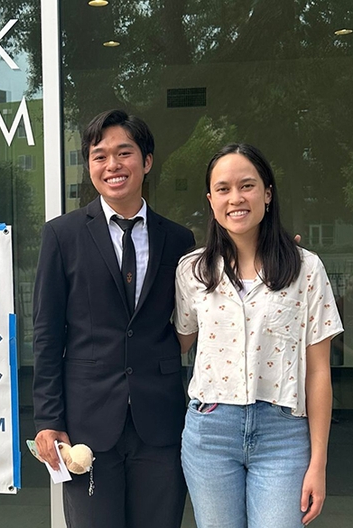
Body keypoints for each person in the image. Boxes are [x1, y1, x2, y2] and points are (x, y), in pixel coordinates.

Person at [32, 109, 195, 528]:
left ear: (147, 161)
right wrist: (49, 419)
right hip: (87, 423)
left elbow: (197, 314)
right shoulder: (62, 235)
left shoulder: (178, 239)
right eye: (99, 155)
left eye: (124, 153)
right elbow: (48, 333)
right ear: (89, 165)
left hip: (159, 422)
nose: (112, 165)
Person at [174, 143, 343, 528]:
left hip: (282, 433)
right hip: (210, 432)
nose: (236, 198)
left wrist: (319, 461)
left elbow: (318, 373)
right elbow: (178, 341)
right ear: (211, 200)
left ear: (267, 193)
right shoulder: (193, 271)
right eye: (223, 188)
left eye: (247, 185)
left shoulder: (306, 269)